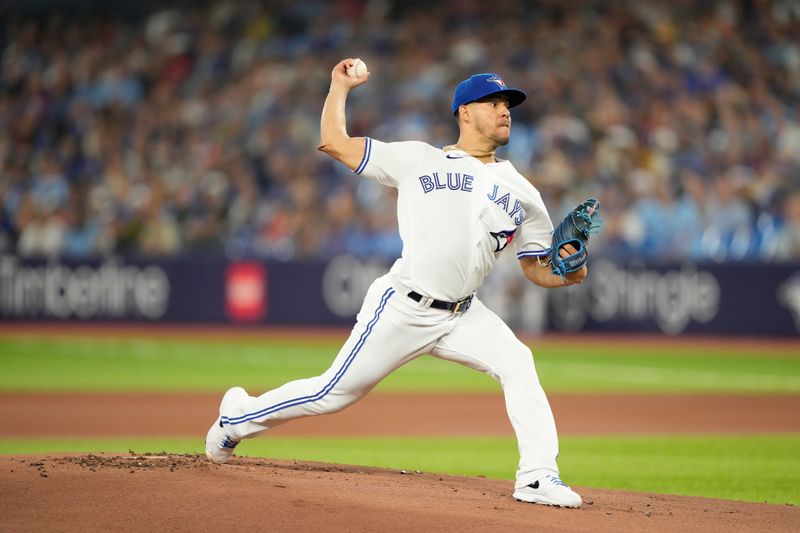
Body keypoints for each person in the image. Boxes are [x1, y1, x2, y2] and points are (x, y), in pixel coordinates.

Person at [205, 58, 588, 508]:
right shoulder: (418, 158)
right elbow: (333, 141)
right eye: (494, 102)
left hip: (464, 313)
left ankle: (538, 476)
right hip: (404, 306)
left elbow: (536, 267)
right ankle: (237, 416)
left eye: (508, 104)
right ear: (465, 111)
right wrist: (338, 87)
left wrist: (570, 270)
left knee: (519, 362)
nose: (505, 111)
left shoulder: (522, 190)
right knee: (332, 394)